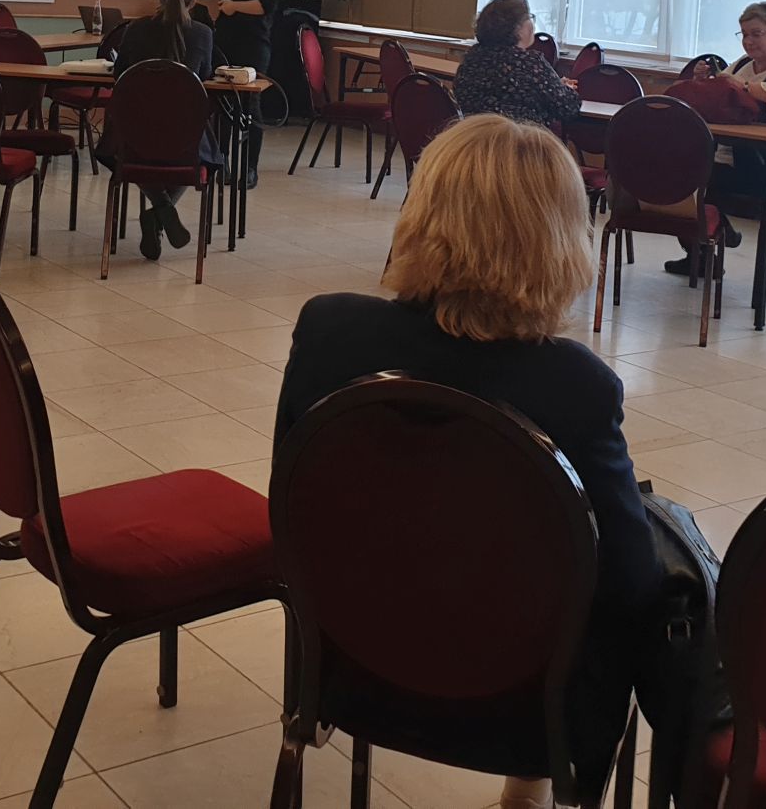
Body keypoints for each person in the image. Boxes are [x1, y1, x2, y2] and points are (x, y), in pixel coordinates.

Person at [275, 114, 662, 808]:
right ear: (560, 238)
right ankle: (531, 794)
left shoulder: (329, 331)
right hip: (528, 713)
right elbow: (632, 585)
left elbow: (293, 502)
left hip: (353, 671)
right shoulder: (575, 387)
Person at [663, 0, 766, 276]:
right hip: (737, 158)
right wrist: (704, 81)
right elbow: (722, 90)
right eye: (744, 34)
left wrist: (745, 87)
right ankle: (702, 248)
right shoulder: (744, 64)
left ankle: (713, 235)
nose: (748, 41)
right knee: (680, 177)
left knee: (698, 181)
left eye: (757, 34)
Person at [110, 0, 218, 262]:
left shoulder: (136, 29)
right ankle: (161, 211)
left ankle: (159, 210)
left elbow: (120, 74)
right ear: (193, 2)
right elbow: (204, 77)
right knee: (202, 153)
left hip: (135, 136)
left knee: (132, 152)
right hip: (184, 139)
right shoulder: (203, 34)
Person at [179, 0, 280, 187]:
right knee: (222, 105)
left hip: (254, 45)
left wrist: (236, 6)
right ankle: (219, 162)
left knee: (251, 105)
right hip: (225, 42)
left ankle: (249, 169)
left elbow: (268, 5)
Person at [453, 0, 581, 129]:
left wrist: (554, 84)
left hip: (473, 137)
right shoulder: (530, 63)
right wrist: (565, 89)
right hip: (519, 139)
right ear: (517, 29)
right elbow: (568, 107)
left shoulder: (471, 58)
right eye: (529, 17)